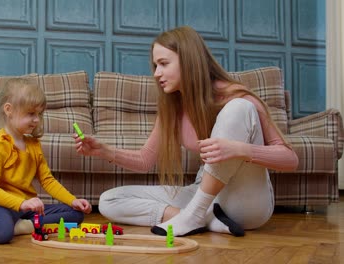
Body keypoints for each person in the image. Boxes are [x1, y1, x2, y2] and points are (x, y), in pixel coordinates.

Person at [73, 26, 298, 237]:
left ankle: (196, 214)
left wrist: (239, 149)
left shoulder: (237, 97)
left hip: (246, 202)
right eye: (155, 66)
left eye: (163, 63)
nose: (156, 74)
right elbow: (145, 159)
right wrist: (104, 151)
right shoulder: (174, 108)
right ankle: (199, 218)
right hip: (205, 196)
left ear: (189, 61)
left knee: (239, 108)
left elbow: (290, 159)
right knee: (109, 200)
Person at [0, 77, 92, 244]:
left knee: (75, 214)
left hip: (24, 208)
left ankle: (22, 226)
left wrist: (73, 200)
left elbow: (48, 180)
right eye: (31, 113)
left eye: (39, 114)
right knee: (0, 232)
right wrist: (22, 203)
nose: (36, 119)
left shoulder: (33, 145)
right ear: (9, 110)